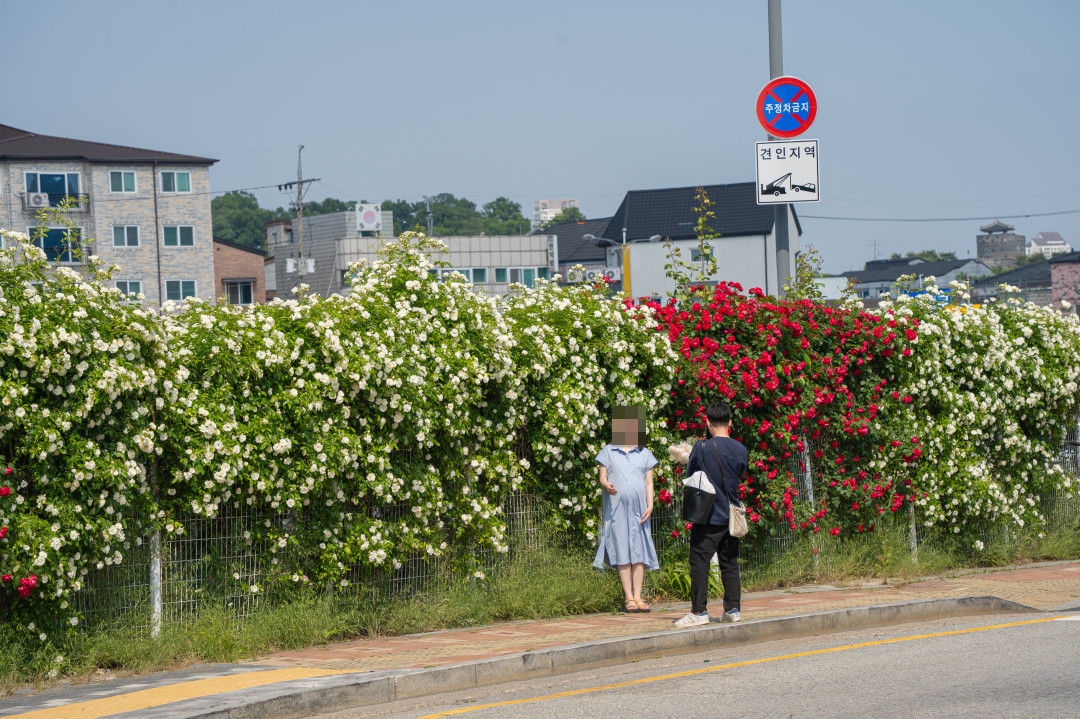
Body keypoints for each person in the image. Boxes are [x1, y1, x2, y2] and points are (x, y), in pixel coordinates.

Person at [674, 401, 747, 628]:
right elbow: (741, 475)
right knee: (729, 562)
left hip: (707, 515)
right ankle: (732, 609)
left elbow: (691, 474)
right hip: (731, 515)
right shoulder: (741, 449)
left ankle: (699, 611)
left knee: (699, 561)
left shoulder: (701, 447)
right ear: (730, 423)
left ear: (707, 422)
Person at [593, 406, 659, 613]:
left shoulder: (645, 453)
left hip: (640, 510)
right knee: (622, 550)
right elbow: (602, 476)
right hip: (617, 509)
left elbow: (649, 483)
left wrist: (650, 504)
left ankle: (638, 596)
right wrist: (606, 484)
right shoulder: (608, 451)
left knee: (639, 552)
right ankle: (628, 597)